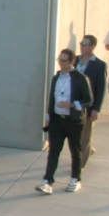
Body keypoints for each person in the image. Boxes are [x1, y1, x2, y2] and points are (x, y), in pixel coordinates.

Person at [36, 49, 94, 195]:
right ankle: (47, 182)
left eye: (63, 61)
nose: (60, 63)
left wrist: (72, 104)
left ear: (71, 62)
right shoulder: (56, 78)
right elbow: (52, 99)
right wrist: (49, 118)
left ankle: (75, 179)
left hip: (73, 121)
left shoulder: (80, 78)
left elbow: (88, 100)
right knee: (53, 151)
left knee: (75, 151)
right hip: (57, 120)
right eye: (59, 60)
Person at [74, 36, 108, 168]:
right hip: (72, 106)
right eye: (81, 44)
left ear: (92, 47)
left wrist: (96, 109)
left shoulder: (99, 65)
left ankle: (79, 166)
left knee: (86, 135)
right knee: (76, 135)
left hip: (88, 107)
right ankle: (88, 150)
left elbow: (101, 89)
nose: (81, 46)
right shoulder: (74, 60)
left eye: (84, 44)